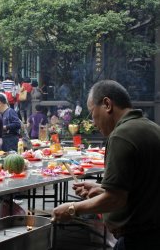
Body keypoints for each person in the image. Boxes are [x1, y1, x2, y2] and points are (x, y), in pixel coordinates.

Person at [52, 80, 160, 249]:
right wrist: (103, 189)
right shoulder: (152, 128)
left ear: (107, 104)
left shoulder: (121, 136)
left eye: (92, 113)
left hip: (138, 239)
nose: (93, 122)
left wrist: (73, 208)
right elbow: (142, 187)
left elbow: (115, 199)